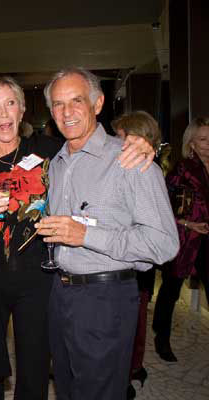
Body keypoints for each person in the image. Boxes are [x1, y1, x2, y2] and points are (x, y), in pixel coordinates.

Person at [0, 76, 155, 400]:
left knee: (34, 369)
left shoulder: (49, 150)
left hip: (38, 279)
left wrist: (138, 144)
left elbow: (90, 144)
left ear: (22, 110)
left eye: (10, 103)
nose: (4, 113)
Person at [35, 68, 179, 400]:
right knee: (67, 388)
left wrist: (85, 234)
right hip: (60, 294)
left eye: (76, 101)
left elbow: (164, 243)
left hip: (106, 297)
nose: (67, 112)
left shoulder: (131, 159)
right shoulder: (55, 163)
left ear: (98, 103)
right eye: (58, 104)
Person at [111, 111, 164, 398]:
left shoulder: (147, 168)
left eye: (121, 138)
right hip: (122, 258)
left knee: (136, 321)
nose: (116, 145)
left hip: (138, 258)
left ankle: (130, 372)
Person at [152, 117, 209, 363]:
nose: (208, 144)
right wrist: (187, 223)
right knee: (170, 290)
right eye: (203, 139)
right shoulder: (183, 169)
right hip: (185, 240)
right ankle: (161, 337)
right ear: (191, 144)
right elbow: (163, 206)